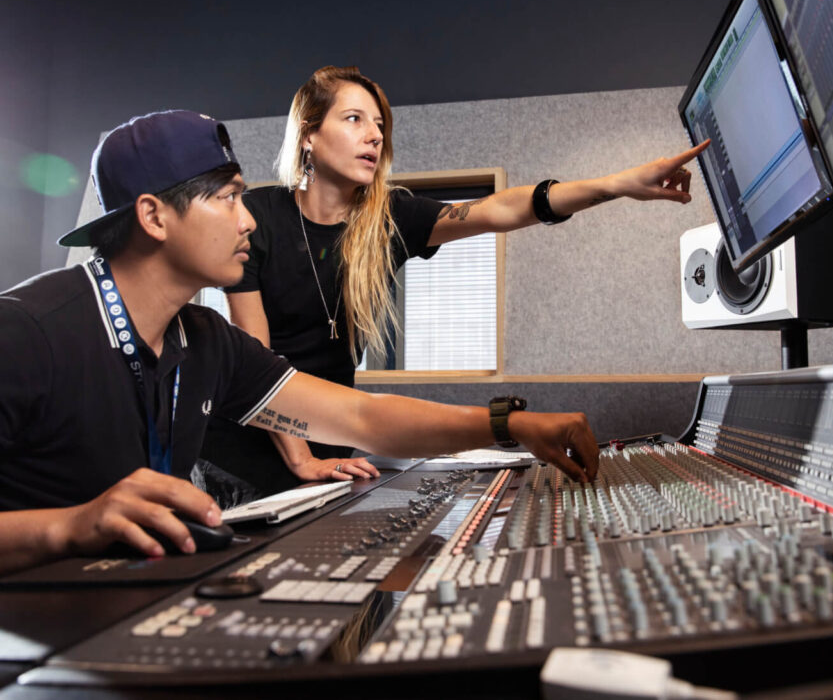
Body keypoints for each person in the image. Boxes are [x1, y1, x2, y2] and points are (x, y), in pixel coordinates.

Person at [0, 110, 598, 598]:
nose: (249, 220)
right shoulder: (17, 334)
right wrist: (70, 524)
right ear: (152, 215)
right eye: (227, 197)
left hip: (103, 618)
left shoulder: (203, 341)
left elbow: (360, 417)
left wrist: (509, 425)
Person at [201, 66, 706, 495]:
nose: (374, 135)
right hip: (246, 456)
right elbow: (257, 362)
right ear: (308, 134)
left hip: (329, 453)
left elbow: (499, 208)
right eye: (353, 119)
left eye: (379, 125)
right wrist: (298, 456)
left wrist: (616, 185)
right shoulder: (257, 217)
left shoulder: (389, 218)